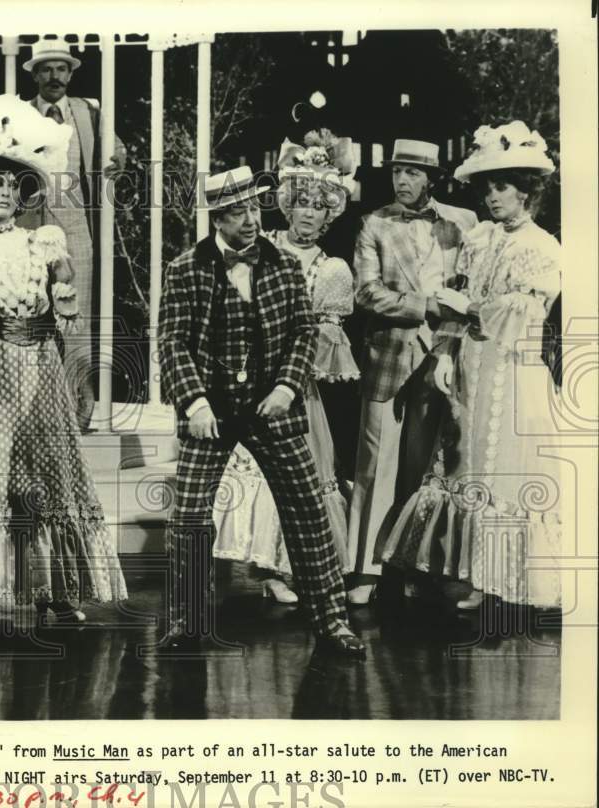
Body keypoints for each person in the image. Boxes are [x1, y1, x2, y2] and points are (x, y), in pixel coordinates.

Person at [158, 165, 364, 657]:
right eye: (236, 212)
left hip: (273, 406)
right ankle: (186, 623)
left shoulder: (284, 265)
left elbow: (301, 333)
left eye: (254, 208)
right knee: (188, 518)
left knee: (309, 512)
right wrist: (195, 401)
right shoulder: (186, 267)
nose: (250, 220)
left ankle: (332, 621)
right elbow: (171, 342)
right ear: (217, 217)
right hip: (211, 409)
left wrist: (288, 389)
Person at [0, 95, 127, 622]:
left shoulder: (43, 239)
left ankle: (58, 590)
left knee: (52, 469)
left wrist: (63, 290)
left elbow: (65, 287)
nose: (3, 193)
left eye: (11, 185)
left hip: (42, 360)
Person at [382, 122, 562, 612]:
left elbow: (525, 313)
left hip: (511, 368)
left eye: (502, 186)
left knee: (499, 464)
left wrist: (470, 308)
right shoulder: (479, 240)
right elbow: (458, 305)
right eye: (487, 186)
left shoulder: (542, 247)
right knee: (461, 459)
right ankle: (460, 569)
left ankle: (497, 574)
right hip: (469, 364)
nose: (492, 195)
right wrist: (442, 350)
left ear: (527, 192)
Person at [212, 131, 358, 604]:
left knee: (303, 473)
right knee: (253, 469)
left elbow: (329, 342)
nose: (310, 213)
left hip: (296, 389)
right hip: (251, 378)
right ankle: (261, 567)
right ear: (288, 206)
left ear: (329, 212)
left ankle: (295, 568)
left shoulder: (332, 269)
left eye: (319, 205)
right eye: (302, 203)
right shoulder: (262, 249)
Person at [347, 139, 477, 605]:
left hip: (443, 356)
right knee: (375, 464)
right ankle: (363, 568)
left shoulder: (463, 224)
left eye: (413, 173)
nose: (402, 181)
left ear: (432, 179)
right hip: (389, 356)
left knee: (427, 467)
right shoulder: (375, 223)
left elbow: (470, 287)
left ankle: (414, 564)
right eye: (397, 172)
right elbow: (366, 293)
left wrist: (451, 325)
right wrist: (425, 305)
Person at [21, 37, 126, 431]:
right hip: (30, 226)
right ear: (34, 74)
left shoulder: (88, 112)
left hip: (77, 227)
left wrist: (117, 160)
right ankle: (34, 416)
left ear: (70, 74)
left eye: (61, 68)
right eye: (46, 69)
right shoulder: (19, 113)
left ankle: (77, 415)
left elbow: (115, 150)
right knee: (32, 311)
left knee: (76, 318)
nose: (54, 76)